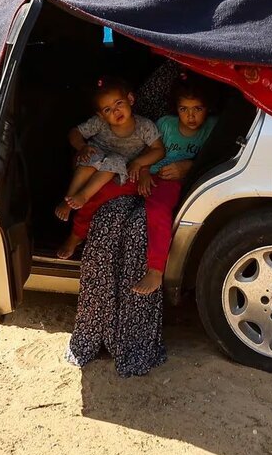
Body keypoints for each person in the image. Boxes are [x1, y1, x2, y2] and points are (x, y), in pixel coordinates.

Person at [55, 76, 163, 259]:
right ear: (101, 115)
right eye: (108, 109)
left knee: (115, 161)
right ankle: (68, 199)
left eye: (119, 103)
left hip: (117, 168)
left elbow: (158, 150)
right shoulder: (100, 123)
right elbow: (74, 132)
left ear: (130, 99)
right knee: (92, 158)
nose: (115, 111)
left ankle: (80, 207)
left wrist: (138, 163)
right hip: (93, 163)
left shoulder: (144, 126)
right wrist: (82, 147)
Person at [133, 76, 217, 296]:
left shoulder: (212, 128)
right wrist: (142, 172)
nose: (190, 115)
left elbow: (216, 159)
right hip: (151, 173)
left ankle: (155, 269)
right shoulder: (165, 124)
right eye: (184, 109)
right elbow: (147, 152)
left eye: (197, 108)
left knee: (158, 209)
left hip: (174, 181)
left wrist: (188, 166)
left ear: (208, 108)